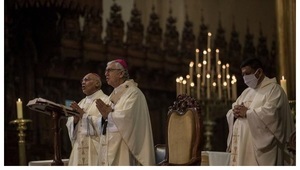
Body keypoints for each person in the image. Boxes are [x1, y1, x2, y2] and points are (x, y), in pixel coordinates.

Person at [226, 57, 295, 165]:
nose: (245, 78)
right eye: (243, 74)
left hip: (262, 152)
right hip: (243, 145)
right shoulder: (246, 92)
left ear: (259, 72)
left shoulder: (274, 90)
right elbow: (233, 109)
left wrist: (247, 113)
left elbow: (272, 114)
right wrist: (234, 113)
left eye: (247, 73)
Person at [95, 59, 155, 165]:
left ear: (121, 73)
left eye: (109, 70)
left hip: (125, 147)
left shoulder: (133, 93)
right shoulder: (113, 95)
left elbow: (128, 119)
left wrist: (109, 114)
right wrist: (105, 116)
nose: (106, 73)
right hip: (111, 145)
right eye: (105, 71)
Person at [66, 73, 110, 165]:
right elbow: (71, 125)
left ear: (97, 84)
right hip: (78, 148)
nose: (83, 82)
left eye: (87, 80)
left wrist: (82, 114)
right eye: (82, 80)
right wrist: (74, 120)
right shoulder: (81, 103)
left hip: (95, 150)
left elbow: (107, 125)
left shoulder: (106, 100)